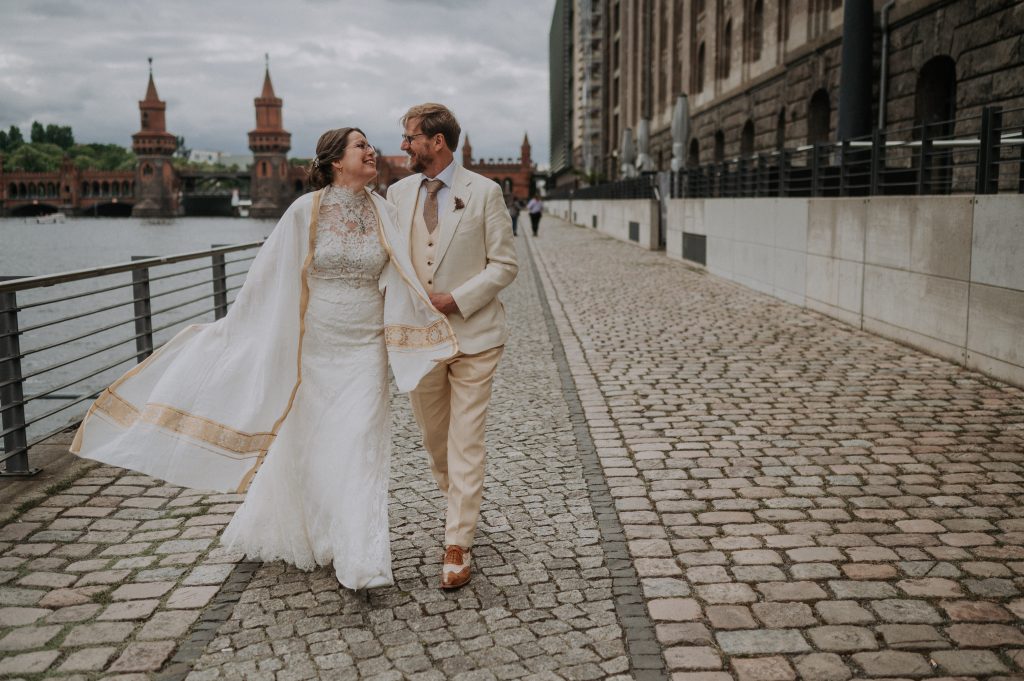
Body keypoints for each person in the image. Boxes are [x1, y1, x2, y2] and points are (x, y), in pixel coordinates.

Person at [71, 127, 456, 590]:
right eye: (361, 145)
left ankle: (361, 556)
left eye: (370, 144)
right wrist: (242, 330)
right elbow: (267, 279)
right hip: (315, 346)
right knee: (312, 442)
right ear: (336, 161)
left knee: (360, 441)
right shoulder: (303, 212)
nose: (371, 151)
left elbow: (403, 274)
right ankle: (318, 527)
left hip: (366, 347)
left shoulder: (384, 211)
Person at [388, 103, 518, 589]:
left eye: (410, 137)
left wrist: (455, 299)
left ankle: (458, 542)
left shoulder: (485, 192)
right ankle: (462, 507)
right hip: (419, 343)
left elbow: (504, 265)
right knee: (436, 443)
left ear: (436, 142)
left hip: (475, 338)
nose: (403, 145)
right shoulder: (397, 194)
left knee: (466, 440)